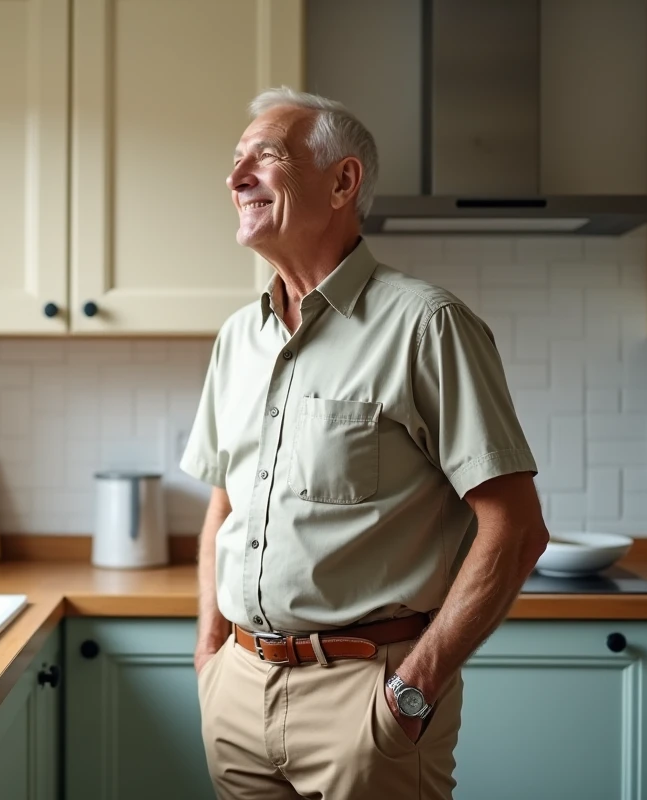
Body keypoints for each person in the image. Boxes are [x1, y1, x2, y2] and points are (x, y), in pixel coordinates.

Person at [181, 87, 550, 800]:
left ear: (343, 181)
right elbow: (223, 503)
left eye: (267, 155)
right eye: (235, 162)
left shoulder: (428, 326)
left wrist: (414, 689)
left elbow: (517, 528)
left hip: (368, 698)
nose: (236, 179)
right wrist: (210, 654)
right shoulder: (237, 339)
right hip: (237, 692)